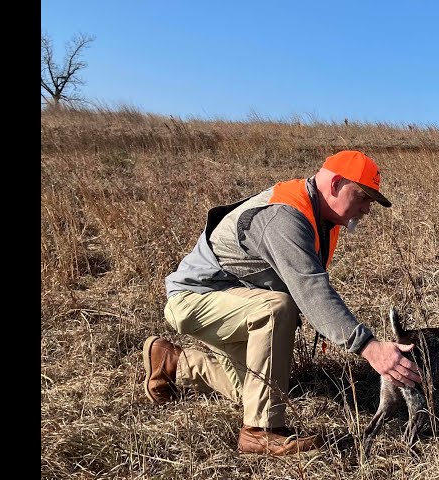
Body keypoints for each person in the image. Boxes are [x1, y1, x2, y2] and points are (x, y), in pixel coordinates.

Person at [141, 150, 422, 456]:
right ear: (336, 183)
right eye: (363, 196)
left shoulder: (321, 217)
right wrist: (370, 348)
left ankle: (173, 363)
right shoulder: (285, 217)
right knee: (277, 309)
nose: (367, 208)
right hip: (194, 299)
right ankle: (261, 432)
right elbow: (311, 290)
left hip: (234, 302)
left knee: (257, 393)